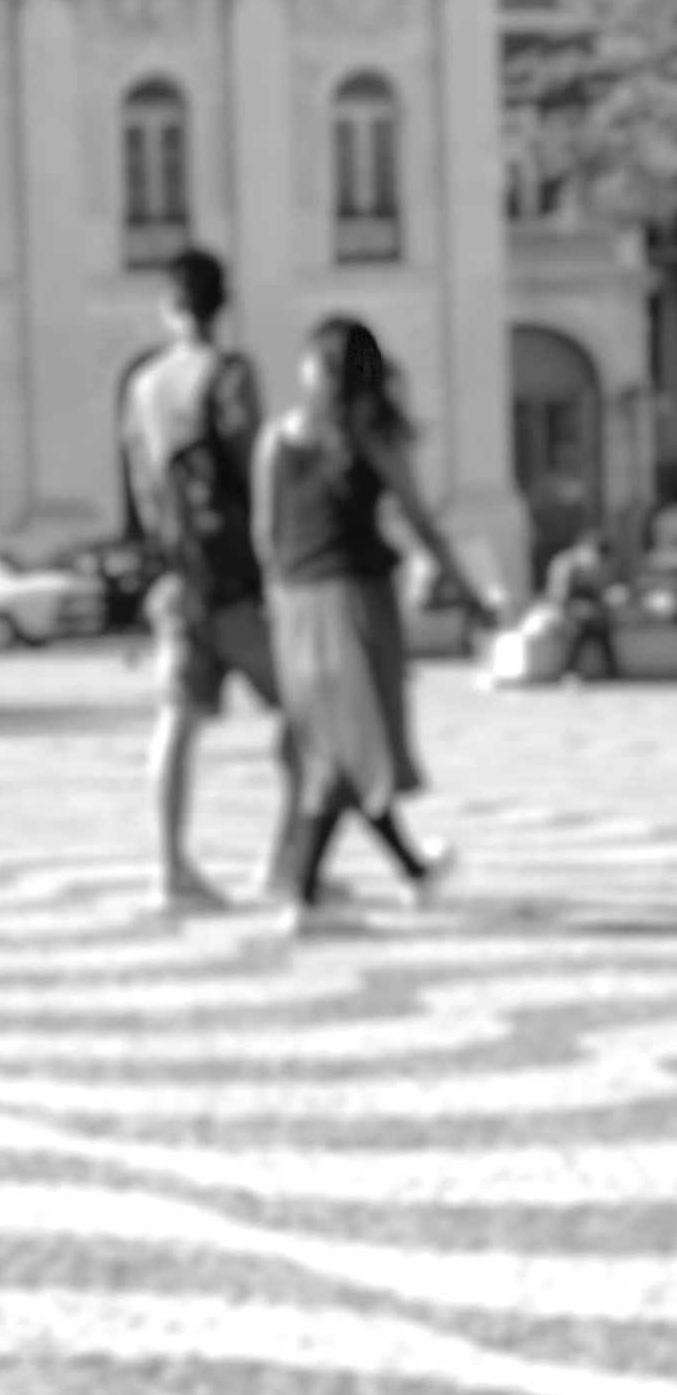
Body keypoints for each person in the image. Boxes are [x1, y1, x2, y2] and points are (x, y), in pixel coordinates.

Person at [254, 314, 497, 932]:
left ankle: (408, 870)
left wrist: (278, 606)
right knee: (352, 748)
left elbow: (265, 536)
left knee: (335, 746)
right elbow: (421, 521)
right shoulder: (370, 436)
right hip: (355, 600)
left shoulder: (274, 439)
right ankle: (302, 893)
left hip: (294, 606)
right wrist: (472, 596)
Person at [120, 247, 302, 912]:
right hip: (236, 584)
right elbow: (256, 477)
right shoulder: (229, 374)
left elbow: (142, 489)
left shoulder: (142, 386)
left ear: (169, 307)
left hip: (179, 580)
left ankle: (171, 869)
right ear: (222, 305)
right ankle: (285, 862)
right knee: (306, 719)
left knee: (177, 723)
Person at [543, 529, 621, 682]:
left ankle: (609, 670)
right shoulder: (565, 564)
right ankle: (570, 670)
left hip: (590, 613)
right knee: (581, 628)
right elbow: (558, 597)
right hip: (565, 611)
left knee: (599, 626)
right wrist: (579, 608)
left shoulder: (594, 566)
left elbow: (598, 594)